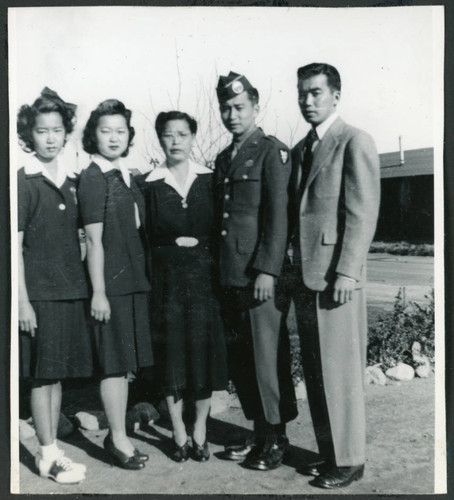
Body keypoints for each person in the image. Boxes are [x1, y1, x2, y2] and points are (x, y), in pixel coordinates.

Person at [288, 63, 380, 489]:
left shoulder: (354, 140)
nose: (308, 100)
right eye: (303, 93)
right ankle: (329, 455)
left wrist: (347, 270)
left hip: (337, 279)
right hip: (308, 278)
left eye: (317, 93)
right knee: (318, 370)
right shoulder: (301, 147)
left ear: (335, 96)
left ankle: (350, 459)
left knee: (339, 372)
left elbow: (362, 212)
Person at [214, 71, 297, 471]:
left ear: (255, 107)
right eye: (226, 108)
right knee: (243, 360)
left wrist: (268, 269)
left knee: (267, 360)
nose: (232, 114)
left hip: (259, 276)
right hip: (231, 274)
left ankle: (276, 436)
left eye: (239, 107)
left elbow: (278, 218)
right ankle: (258, 431)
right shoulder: (224, 157)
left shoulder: (272, 152)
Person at [140, 111, 228, 463]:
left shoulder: (210, 179)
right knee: (172, 357)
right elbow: (144, 238)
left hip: (204, 282)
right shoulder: (149, 184)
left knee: (202, 358)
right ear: (159, 139)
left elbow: (220, 232)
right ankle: (178, 430)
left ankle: (200, 431)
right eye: (168, 135)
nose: (175, 141)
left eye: (182, 134)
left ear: (193, 137)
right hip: (167, 284)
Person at [17, 87, 92, 484]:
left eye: (57, 130)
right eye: (42, 131)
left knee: (57, 373)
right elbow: (13, 246)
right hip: (39, 294)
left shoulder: (73, 180)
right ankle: (47, 455)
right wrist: (22, 302)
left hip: (69, 292)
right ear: (30, 134)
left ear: (67, 133)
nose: (50, 138)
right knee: (42, 375)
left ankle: (51, 451)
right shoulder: (23, 180)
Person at [78, 99, 153, 470]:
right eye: (105, 130)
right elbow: (93, 241)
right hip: (110, 287)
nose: (113, 137)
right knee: (113, 364)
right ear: (92, 135)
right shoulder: (93, 178)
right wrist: (99, 292)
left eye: (120, 131)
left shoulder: (125, 174)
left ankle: (118, 434)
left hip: (133, 283)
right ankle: (119, 440)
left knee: (124, 365)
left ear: (129, 136)